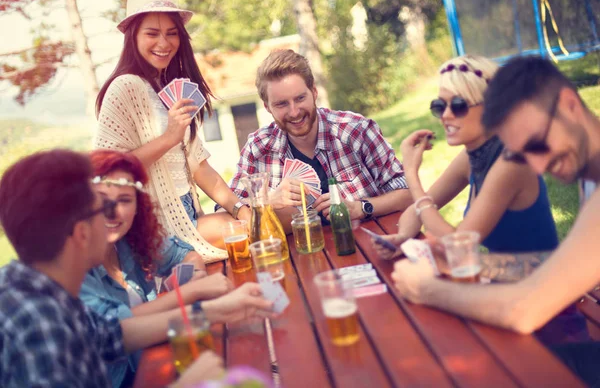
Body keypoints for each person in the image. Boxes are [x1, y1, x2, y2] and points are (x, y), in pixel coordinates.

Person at [391, 56, 600, 387]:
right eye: (524, 153)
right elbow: (550, 264)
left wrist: (427, 289)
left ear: (569, 104)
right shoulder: (588, 173)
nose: (539, 164)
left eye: (535, 144)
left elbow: (524, 310)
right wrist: (476, 267)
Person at [0, 149, 275, 388]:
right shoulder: (39, 322)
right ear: (83, 233)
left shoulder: (39, 291)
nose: (112, 217)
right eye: (103, 209)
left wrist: (219, 308)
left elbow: (114, 334)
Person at [94, 0, 249, 263]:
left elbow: (199, 167)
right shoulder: (125, 87)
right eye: (152, 33)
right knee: (258, 233)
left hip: (187, 212)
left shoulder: (167, 89)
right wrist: (169, 136)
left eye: (172, 32)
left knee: (261, 221)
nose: (164, 43)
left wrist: (239, 208)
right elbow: (109, 171)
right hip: (155, 227)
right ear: (133, 37)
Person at [376, 55, 558, 255]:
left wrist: (411, 174)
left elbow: (459, 245)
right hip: (505, 278)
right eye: (439, 106)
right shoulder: (471, 157)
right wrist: (402, 239)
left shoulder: (512, 162)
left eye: (458, 105)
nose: (445, 115)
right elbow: (414, 212)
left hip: (541, 281)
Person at [81, 149, 234, 388]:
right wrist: (190, 294)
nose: (114, 212)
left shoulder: (130, 239)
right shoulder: (70, 264)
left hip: (157, 363)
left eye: (125, 199)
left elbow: (184, 253)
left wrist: (193, 276)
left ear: (137, 205)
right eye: (102, 200)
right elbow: (113, 329)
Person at [228, 49, 412, 231]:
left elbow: (409, 194)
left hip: (369, 244)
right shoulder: (258, 148)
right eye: (281, 104)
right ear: (268, 107)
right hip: (299, 255)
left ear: (314, 92)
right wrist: (265, 201)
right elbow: (228, 212)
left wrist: (360, 208)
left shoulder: (356, 130)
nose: (294, 112)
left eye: (300, 98)